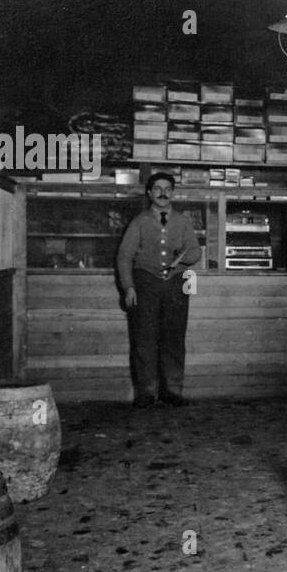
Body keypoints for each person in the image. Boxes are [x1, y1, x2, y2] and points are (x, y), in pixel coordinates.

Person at [116, 173, 201, 407]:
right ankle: (146, 392)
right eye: (157, 189)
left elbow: (195, 251)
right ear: (149, 193)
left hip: (176, 285)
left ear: (173, 193)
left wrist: (184, 257)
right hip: (145, 284)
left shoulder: (183, 222)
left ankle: (172, 391)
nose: (163, 193)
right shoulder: (139, 222)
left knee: (174, 338)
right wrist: (129, 287)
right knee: (144, 338)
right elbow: (124, 257)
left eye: (167, 189)